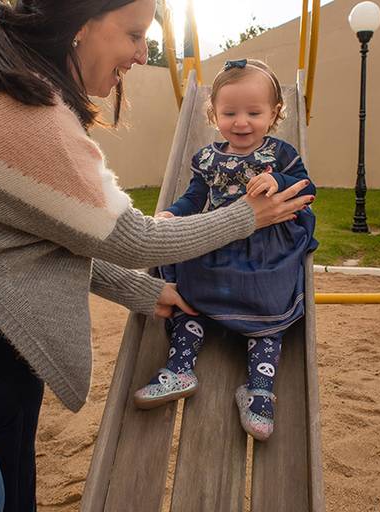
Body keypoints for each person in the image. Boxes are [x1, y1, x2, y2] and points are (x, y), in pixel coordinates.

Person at [0, 2, 314, 511]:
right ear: (81, 24)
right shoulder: (25, 108)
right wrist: (247, 216)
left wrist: (144, 290)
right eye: (132, 34)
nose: (139, 53)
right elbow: (133, 241)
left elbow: (28, 235)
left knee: (7, 410)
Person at [132, 59, 317, 442]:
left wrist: (275, 181)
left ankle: (259, 391)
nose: (242, 122)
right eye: (229, 112)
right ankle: (181, 367)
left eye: (254, 112)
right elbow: (194, 199)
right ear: (214, 114)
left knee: (271, 306)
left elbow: (305, 187)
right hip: (218, 242)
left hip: (266, 250)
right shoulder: (207, 159)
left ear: (274, 113)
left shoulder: (281, 155)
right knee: (188, 289)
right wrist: (171, 213)